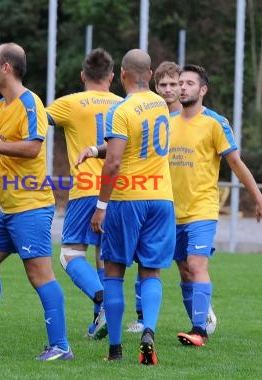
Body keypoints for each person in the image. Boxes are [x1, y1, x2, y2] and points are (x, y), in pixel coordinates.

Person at [0, 42, 73, 361]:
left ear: (6, 67)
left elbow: (33, 148)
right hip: (9, 209)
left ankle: (61, 346)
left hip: (31, 206)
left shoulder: (30, 102)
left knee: (39, 275)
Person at [86, 49, 175, 365]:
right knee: (151, 271)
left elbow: (114, 162)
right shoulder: (161, 105)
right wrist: (96, 149)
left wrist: (100, 206)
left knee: (113, 271)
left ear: (122, 74)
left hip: (128, 199)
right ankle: (148, 331)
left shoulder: (121, 110)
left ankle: (115, 349)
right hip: (162, 198)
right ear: (150, 75)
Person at [172, 64, 262, 346]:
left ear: (203, 90)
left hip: (202, 209)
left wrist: (259, 199)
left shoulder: (215, 122)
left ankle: (199, 331)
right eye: (180, 82)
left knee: (196, 264)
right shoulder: (167, 122)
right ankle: (201, 321)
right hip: (172, 211)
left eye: (189, 83)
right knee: (184, 270)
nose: (182, 87)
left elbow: (236, 163)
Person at [126, 61, 216, 335]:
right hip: (157, 203)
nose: (168, 90)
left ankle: (201, 321)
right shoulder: (154, 119)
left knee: (192, 266)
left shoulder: (203, 121)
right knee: (152, 261)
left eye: (174, 84)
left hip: (195, 207)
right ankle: (145, 318)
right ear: (155, 86)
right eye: (162, 85)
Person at [45, 48, 122, 340]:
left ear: (82, 75)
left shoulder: (70, 103)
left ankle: (102, 300)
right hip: (118, 191)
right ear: (112, 77)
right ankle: (100, 323)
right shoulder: (122, 104)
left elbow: (37, 121)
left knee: (69, 255)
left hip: (87, 189)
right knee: (105, 257)